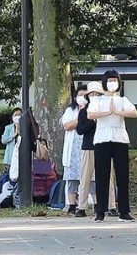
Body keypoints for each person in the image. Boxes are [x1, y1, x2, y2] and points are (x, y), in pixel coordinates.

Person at [87, 70, 137, 222]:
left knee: (122, 176)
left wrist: (118, 111)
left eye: (115, 80)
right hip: (102, 139)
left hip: (120, 138)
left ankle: (124, 211)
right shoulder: (98, 100)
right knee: (102, 175)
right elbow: (90, 115)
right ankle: (100, 211)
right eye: (109, 81)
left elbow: (134, 113)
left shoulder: (122, 99)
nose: (112, 83)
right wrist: (107, 113)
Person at [75, 81, 108, 217]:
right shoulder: (83, 112)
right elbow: (80, 130)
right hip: (88, 146)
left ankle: (110, 205)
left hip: (104, 145)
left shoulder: (106, 110)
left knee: (108, 178)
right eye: (92, 94)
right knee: (85, 177)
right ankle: (81, 207)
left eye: (97, 94)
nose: (94, 96)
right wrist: (92, 121)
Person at [61, 85, 87, 214]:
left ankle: (92, 204)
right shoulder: (70, 111)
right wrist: (81, 118)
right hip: (72, 149)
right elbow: (67, 125)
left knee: (90, 176)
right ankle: (71, 204)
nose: (82, 98)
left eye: (85, 95)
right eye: (80, 95)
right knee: (72, 177)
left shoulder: (93, 109)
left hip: (87, 146)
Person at [1, 108, 22, 172]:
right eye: (16, 115)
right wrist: (14, 135)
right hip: (10, 158)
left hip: (21, 156)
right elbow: (4, 140)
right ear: (12, 117)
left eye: (19, 115)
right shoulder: (8, 128)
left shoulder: (25, 127)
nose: (18, 117)